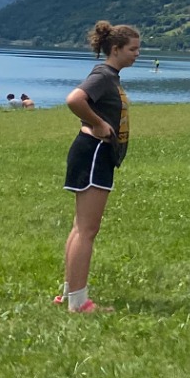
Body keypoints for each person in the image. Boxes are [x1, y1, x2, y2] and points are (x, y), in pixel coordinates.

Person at [60, 20, 140, 315]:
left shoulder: (111, 76)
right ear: (115, 49)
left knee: (80, 227)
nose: (137, 54)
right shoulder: (104, 75)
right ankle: (79, 303)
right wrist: (97, 123)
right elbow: (74, 99)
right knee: (87, 229)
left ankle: (70, 294)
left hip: (95, 154)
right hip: (94, 152)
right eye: (133, 49)